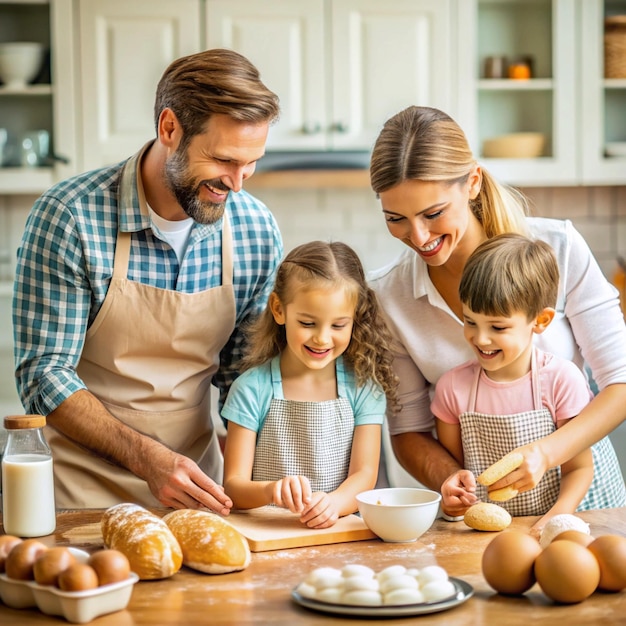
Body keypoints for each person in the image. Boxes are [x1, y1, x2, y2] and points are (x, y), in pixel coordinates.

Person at [12, 49, 283, 512]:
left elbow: (244, 380)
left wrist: (275, 479)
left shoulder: (255, 230)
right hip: (79, 497)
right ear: (169, 129)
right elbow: (43, 377)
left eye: (250, 162)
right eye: (222, 159)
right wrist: (147, 458)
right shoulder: (70, 217)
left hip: (199, 495)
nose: (238, 183)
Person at [368, 105, 626, 518]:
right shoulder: (389, 295)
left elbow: (621, 383)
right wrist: (449, 477)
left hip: (584, 502)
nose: (418, 237)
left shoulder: (558, 247)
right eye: (395, 218)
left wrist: (546, 454)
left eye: (433, 214)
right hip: (487, 514)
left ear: (472, 182)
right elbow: (409, 431)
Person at [221, 241, 398, 529]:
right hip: (268, 537)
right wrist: (271, 491)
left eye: (338, 325)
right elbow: (233, 486)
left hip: (337, 533)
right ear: (279, 310)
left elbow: (364, 475)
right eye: (307, 323)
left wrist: (335, 504)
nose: (322, 338)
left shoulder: (364, 387)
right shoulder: (251, 389)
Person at [432, 234, 599, 535]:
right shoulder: (452, 389)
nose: (480, 339)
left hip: (556, 525)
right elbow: (458, 472)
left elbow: (579, 468)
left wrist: (556, 519)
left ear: (541, 321)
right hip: (488, 537)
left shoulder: (561, 381)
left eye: (497, 327)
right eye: (470, 321)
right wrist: (454, 495)